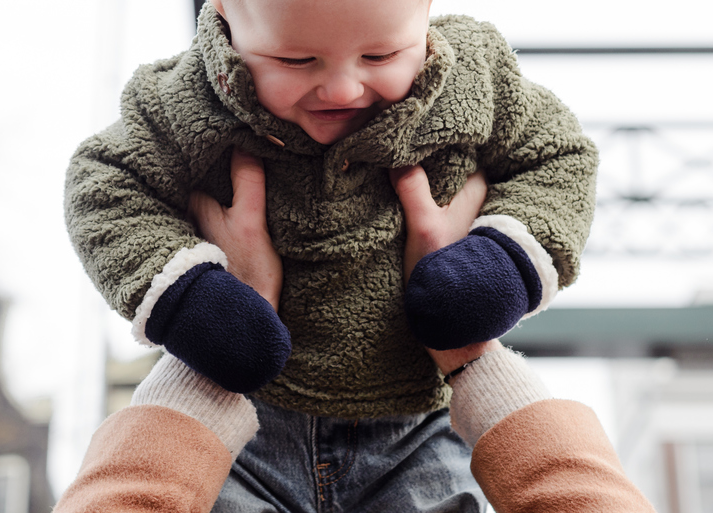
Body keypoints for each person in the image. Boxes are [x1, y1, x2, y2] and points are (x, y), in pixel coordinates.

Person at [64, 0, 599, 510]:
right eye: (296, 60)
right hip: (246, 418)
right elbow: (103, 184)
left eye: (381, 51)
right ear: (229, 12)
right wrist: (191, 298)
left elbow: (558, 158)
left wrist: (499, 264)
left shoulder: (477, 80)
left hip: (416, 420)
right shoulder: (184, 99)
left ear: (427, 3)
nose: (343, 87)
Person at [55, 167, 654, 512]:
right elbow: (558, 162)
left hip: (247, 418)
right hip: (416, 413)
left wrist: (218, 341)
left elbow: (104, 181)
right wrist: (470, 355)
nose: (341, 91)